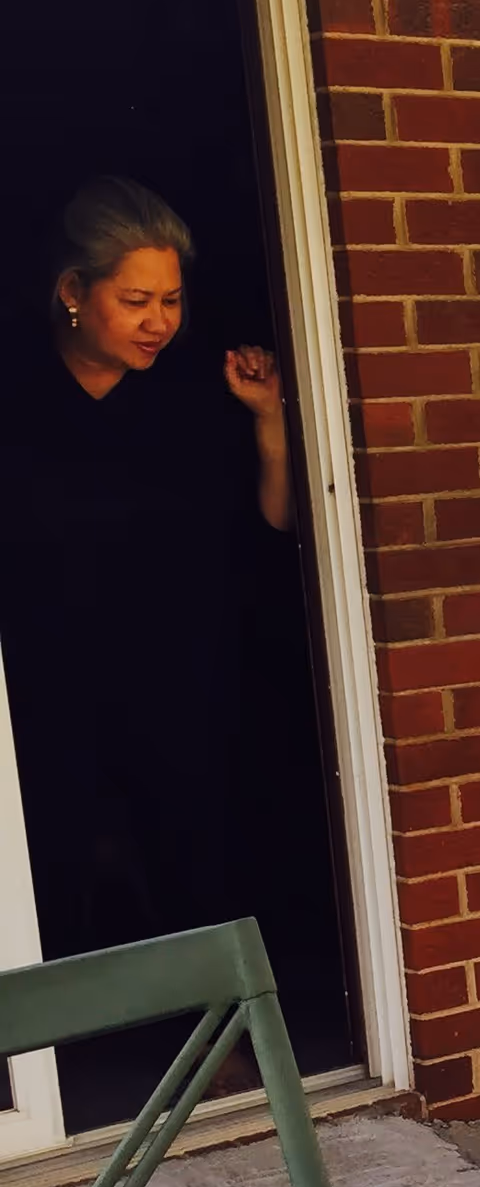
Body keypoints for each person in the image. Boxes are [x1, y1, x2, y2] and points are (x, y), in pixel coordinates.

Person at [0, 175, 291, 964]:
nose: (159, 322)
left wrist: (268, 419)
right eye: (135, 300)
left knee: (195, 850)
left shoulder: (192, 395)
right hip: (41, 689)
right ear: (72, 291)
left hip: (175, 680)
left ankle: (220, 1042)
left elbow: (276, 526)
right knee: (49, 862)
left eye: (171, 299)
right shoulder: (17, 397)